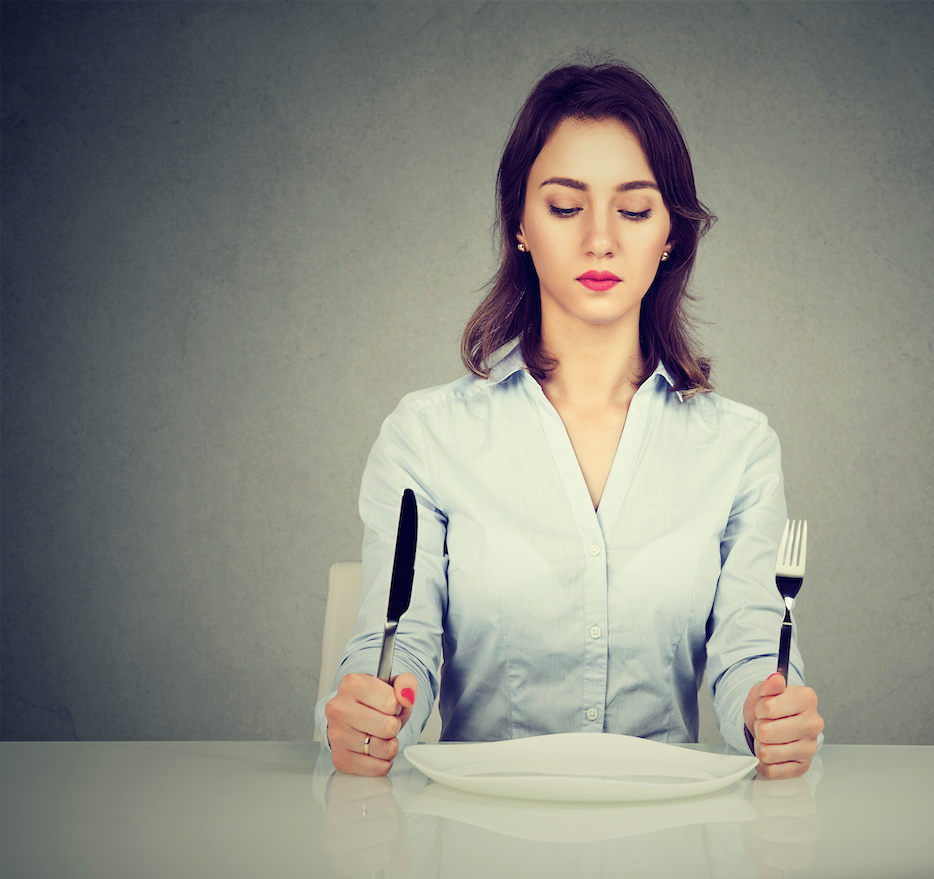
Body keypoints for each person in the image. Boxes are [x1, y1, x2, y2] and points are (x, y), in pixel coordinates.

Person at [317, 60, 823, 779]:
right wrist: (370, 712)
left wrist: (768, 714)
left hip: (668, 830)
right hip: (476, 832)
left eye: (635, 209)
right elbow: (400, 649)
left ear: (671, 234)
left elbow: (750, 655)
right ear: (520, 223)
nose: (599, 239)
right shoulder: (425, 438)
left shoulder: (740, 447)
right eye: (564, 207)